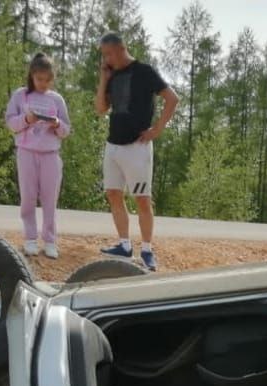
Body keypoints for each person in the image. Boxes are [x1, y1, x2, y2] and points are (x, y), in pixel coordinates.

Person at [95, 32, 179, 272]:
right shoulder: (111, 75)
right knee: (113, 194)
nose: (107, 59)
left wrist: (158, 129)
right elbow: (101, 109)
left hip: (137, 147)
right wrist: (103, 79)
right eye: (104, 55)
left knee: (142, 199)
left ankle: (147, 250)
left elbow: (172, 98)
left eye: (109, 54)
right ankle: (124, 244)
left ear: (121, 49)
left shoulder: (145, 71)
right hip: (113, 145)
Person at [4, 52, 72, 259]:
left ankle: (50, 241)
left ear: (53, 78)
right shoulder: (20, 95)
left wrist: (57, 124)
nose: (43, 83)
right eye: (39, 79)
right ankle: (30, 238)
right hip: (26, 153)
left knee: (50, 199)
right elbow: (10, 123)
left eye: (48, 80)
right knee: (28, 197)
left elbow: (67, 130)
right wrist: (27, 119)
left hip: (50, 154)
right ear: (32, 76)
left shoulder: (57, 99)